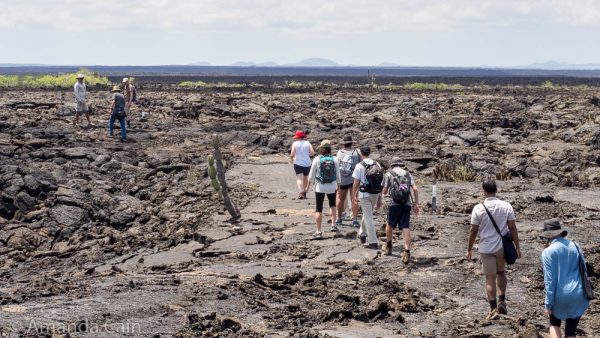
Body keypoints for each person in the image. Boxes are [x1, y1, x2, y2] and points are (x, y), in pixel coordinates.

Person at [467, 179, 521, 319]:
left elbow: (473, 230)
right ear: (496, 190)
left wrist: (469, 249)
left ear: (484, 191)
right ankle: (502, 300)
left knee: (489, 278)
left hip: (486, 247)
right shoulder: (506, 205)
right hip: (502, 246)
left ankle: (493, 309)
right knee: (501, 272)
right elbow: (512, 227)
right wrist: (517, 247)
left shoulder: (478, 208)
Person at [540, 219, 590, 338]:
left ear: (547, 236)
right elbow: (584, 269)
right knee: (571, 332)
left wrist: (548, 304)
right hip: (578, 293)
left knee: (554, 324)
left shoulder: (547, 252)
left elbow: (550, 281)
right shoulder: (575, 245)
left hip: (560, 296)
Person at [381, 157, 419, 263]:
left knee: (390, 224)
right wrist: (416, 204)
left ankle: (389, 245)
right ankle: (407, 252)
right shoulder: (407, 174)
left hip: (394, 204)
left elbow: (384, 191)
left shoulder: (389, 174)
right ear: (401, 164)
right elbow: (415, 189)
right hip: (406, 204)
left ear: (392, 165)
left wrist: (383, 194)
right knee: (406, 228)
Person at [307, 140, 341, 238]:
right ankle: (333, 225)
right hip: (332, 186)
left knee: (318, 209)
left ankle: (318, 231)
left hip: (319, 187)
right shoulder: (335, 159)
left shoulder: (317, 159)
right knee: (332, 204)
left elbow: (311, 175)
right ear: (330, 148)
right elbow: (338, 175)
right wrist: (338, 186)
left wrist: (307, 187)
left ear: (321, 148)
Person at [352, 146, 383, 249]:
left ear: (361, 153)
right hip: (375, 193)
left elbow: (356, 182)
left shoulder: (359, 166)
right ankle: (362, 233)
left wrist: (354, 194)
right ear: (370, 153)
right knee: (367, 214)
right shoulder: (377, 164)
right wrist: (380, 197)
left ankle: (373, 242)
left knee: (368, 217)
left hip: (364, 194)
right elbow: (380, 182)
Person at [336, 135, 360, 228]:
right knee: (354, 199)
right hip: (354, 179)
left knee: (341, 199)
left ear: (344, 144)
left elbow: (337, 166)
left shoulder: (340, 152)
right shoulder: (356, 152)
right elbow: (360, 165)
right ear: (351, 143)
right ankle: (354, 219)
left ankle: (339, 218)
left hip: (343, 179)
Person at [290, 130, 315, 199]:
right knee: (305, 178)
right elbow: (312, 153)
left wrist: (292, 159)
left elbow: (292, 154)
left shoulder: (295, 144)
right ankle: (304, 192)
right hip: (307, 163)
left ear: (297, 137)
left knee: (299, 178)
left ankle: (301, 192)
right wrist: (307, 155)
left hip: (298, 163)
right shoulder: (308, 143)